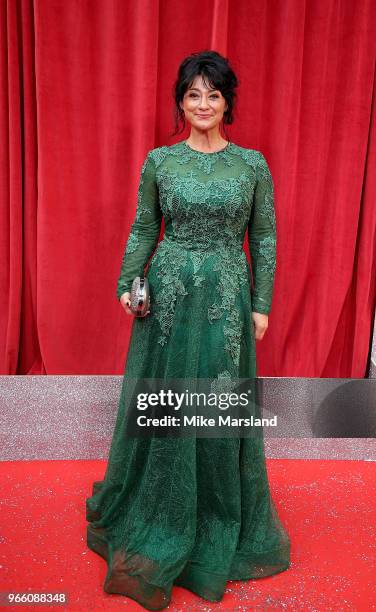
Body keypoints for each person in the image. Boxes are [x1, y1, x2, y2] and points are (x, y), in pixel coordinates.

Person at [86, 49, 290, 610]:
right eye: (193, 94)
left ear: (228, 103)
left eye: (214, 95)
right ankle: (156, 508)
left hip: (227, 295)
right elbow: (145, 225)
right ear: (181, 101)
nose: (203, 104)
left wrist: (263, 303)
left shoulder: (252, 166)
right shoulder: (160, 162)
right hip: (169, 299)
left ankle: (216, 516)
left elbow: (265, 236)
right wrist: (128, 282)